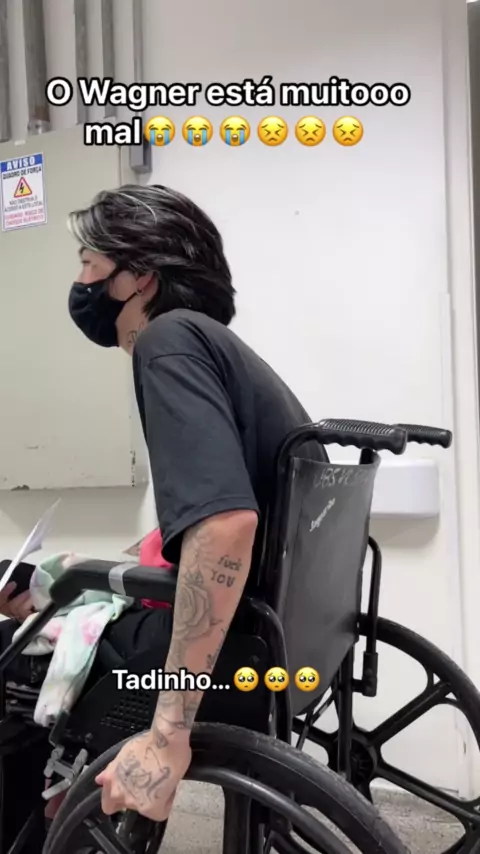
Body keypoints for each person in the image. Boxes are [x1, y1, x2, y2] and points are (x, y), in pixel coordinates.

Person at [0, 184, 322, 849]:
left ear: (139, 275)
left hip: (234, 653)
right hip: (288, 639)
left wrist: (168, 735)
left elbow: (226, 526)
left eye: (89, 264)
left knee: (13, 660)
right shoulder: (220, 350)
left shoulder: (167, 342)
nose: (81, 283)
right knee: (43, 593)